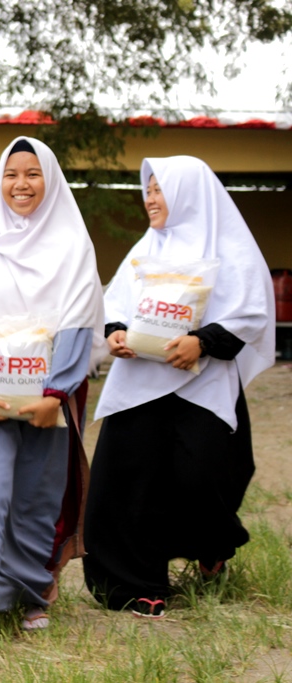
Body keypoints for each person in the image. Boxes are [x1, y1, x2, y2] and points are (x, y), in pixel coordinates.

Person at [83, 156, 275, 619]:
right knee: (128, 482)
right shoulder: (145, 248)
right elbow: (116, 303)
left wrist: (201, 342)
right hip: (139, 385)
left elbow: (249, 312)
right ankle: (136, 584)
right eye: (146, 190)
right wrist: (117, 334)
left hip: (202, 383)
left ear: (189, 193)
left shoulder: (230, 247)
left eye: (158, 189)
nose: (149, 199)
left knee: (202, 479)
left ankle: (211, 548)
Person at [0, 137, 104, 650]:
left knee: (34, 499)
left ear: (50, 180)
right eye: (11, 174)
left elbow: (77, 323)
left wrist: (55, 393)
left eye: (32, 174)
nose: (21, 185)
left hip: (46, 398)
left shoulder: (73, 248)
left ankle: (30, 594)